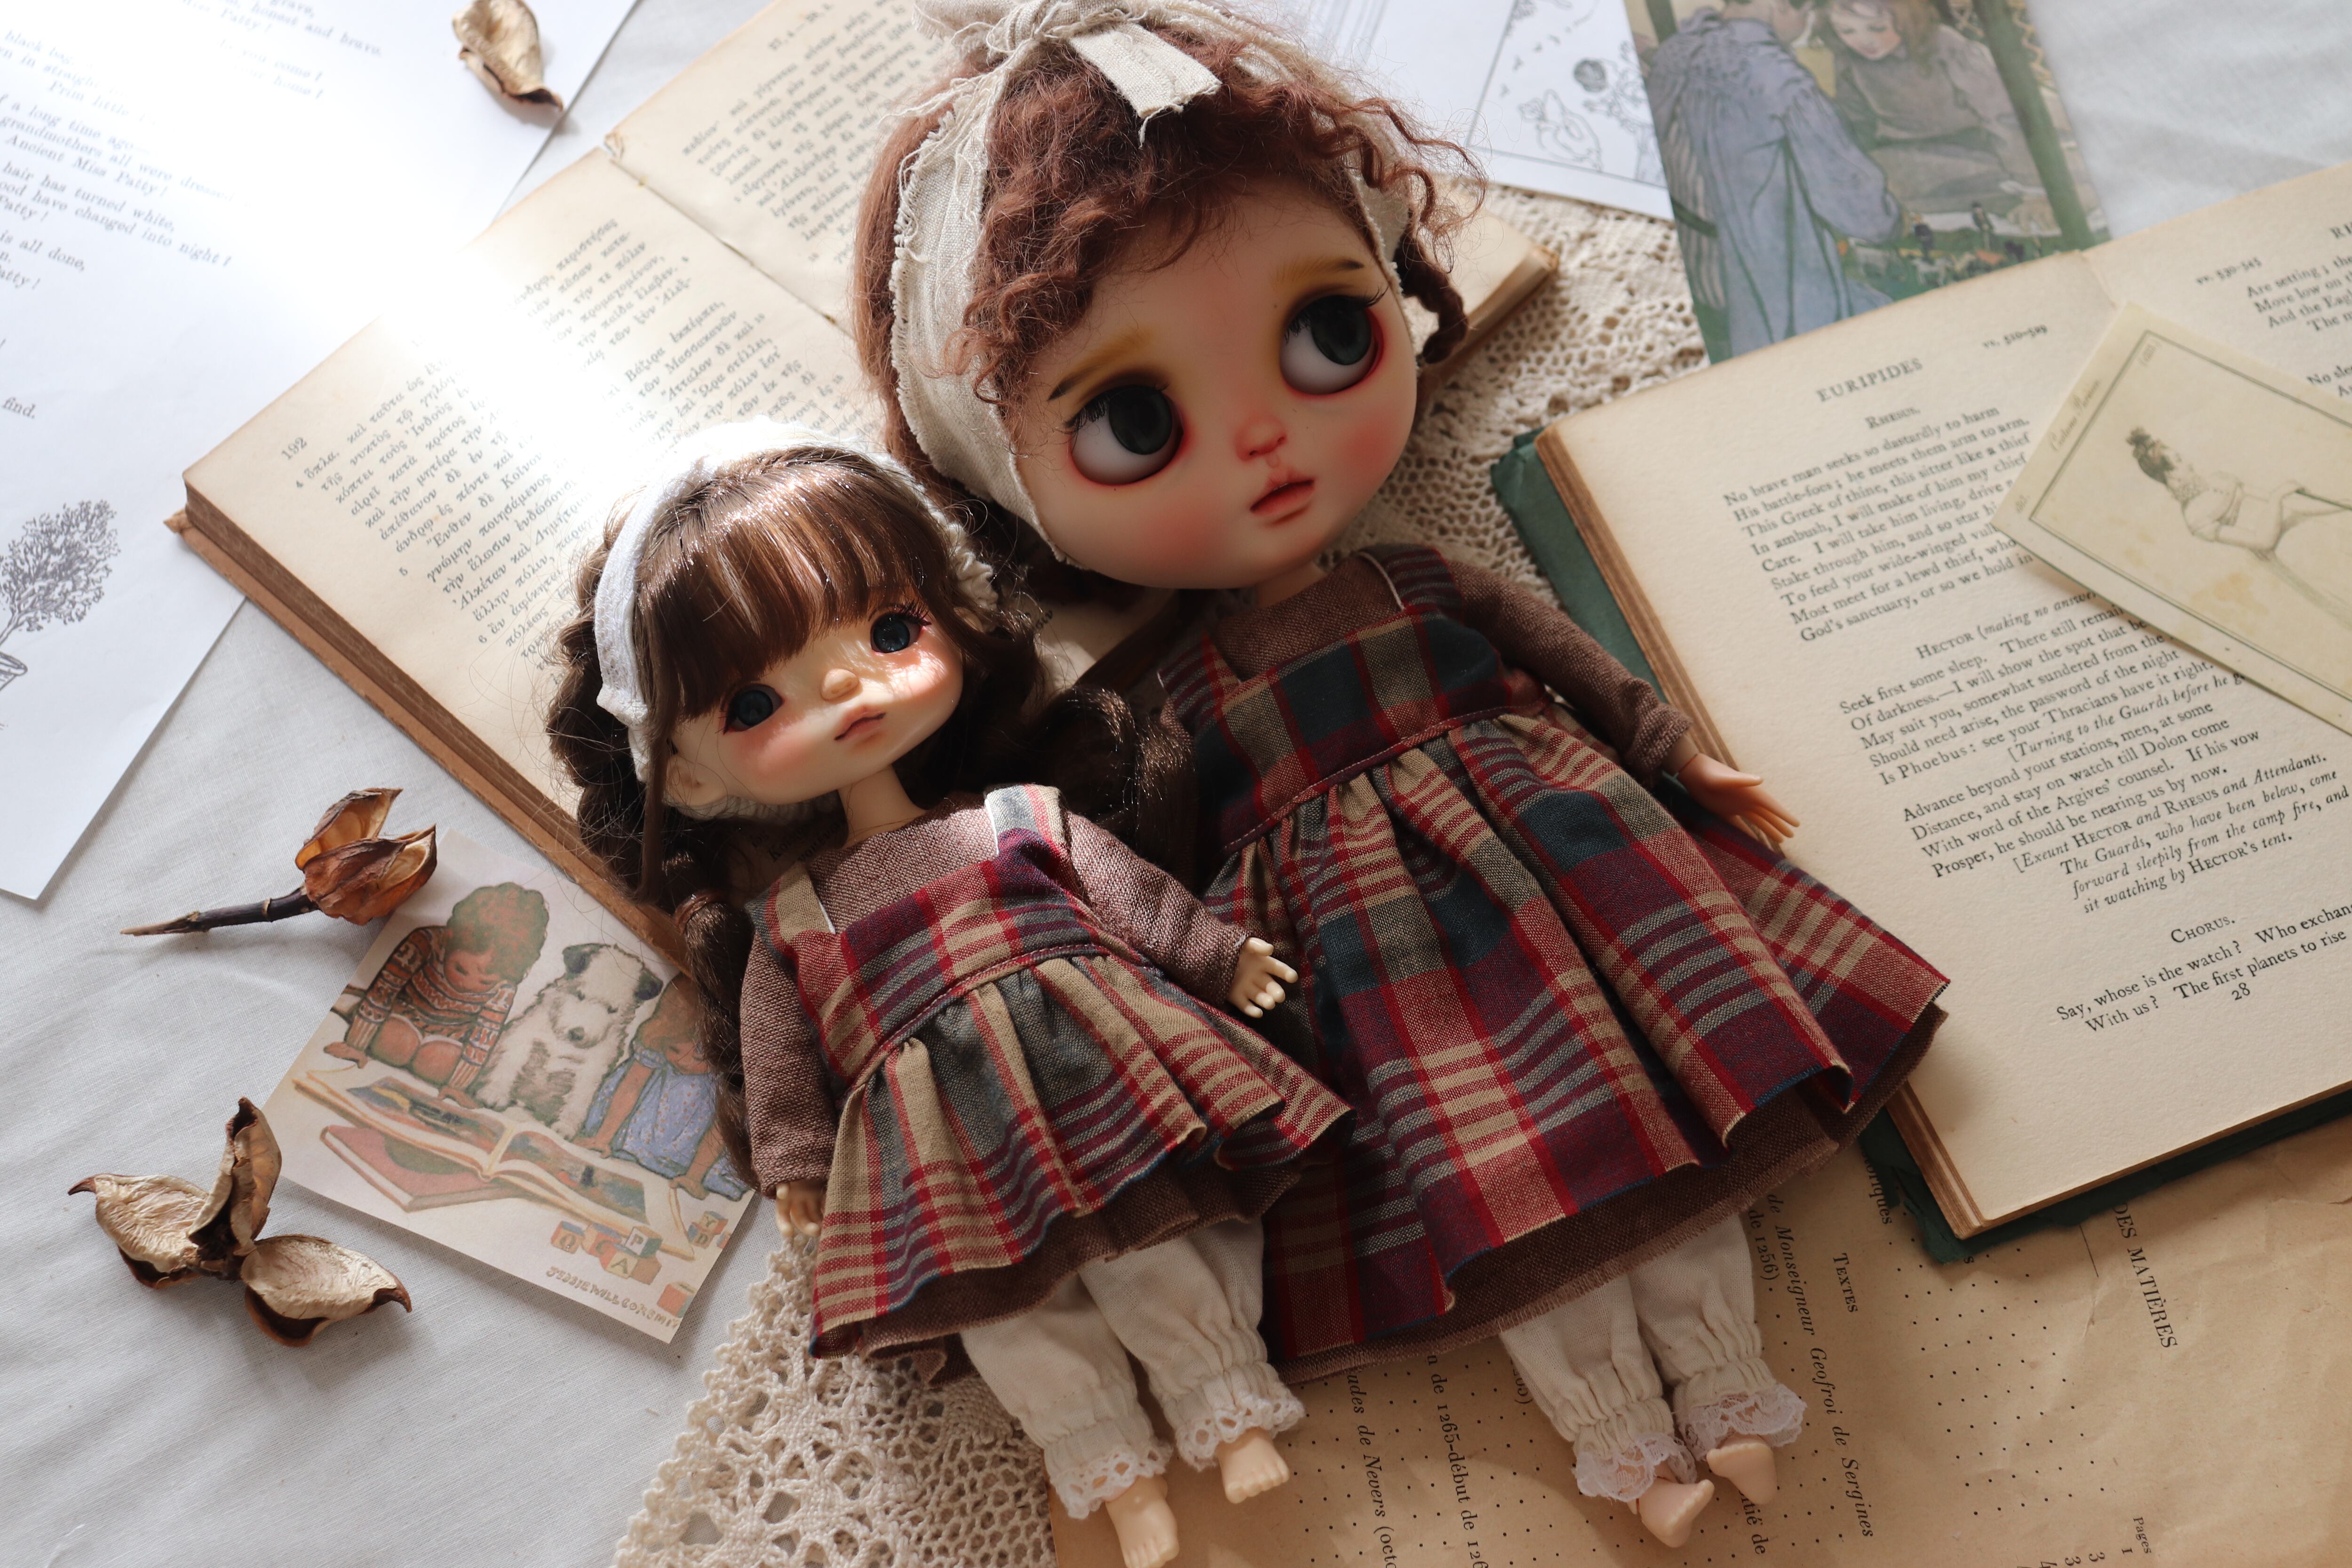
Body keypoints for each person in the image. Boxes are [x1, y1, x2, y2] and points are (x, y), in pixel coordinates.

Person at [851, 2, 1947, 1544]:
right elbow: (1146, 873)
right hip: (1365, 974)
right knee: (1507, 1193)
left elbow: (1568, 662)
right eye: (1136, 421)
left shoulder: (1426, 579)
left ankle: (1723, 1374)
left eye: (1327, 336)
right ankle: (1621, 1431)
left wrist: (1672, 753)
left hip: (1568, 869)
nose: (1263, 441)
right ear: (1004, 487)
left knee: (1657, 1132)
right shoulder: (1169, 703)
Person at [547, 419, 1349, 1568]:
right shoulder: (795, 917)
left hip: (1093, 1062)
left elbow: (1129, 895)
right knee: (1011, 1305)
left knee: (1153, 1229)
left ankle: (1225, 1399)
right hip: (933, 1137)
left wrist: (1216, 956)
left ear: (955, 613)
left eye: (887, 630)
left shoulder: (1018, 817)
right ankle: (1111, 1470)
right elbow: (778, 1051)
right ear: (688, 774)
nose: (844, 684)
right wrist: (797, 1158)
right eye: (754, 705)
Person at [1645, 0, 1903, 357]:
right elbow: (1863, 213)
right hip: (1772, 303)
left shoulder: (1674, 54)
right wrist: (1895, 220)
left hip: (1695, 288)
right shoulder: (1778, 76)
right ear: (1780, 5)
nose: (1807, 22)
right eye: (1807, 11)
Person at [1817, 0, 2040, 217]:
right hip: (1901, 155)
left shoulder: (1946, 44)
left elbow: (2001, 116)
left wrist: (2031, 186)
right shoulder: (1849, 59)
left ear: (1906, 18)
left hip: (1971, 150)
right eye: (1847, 31)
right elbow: (1857, 124)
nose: (1865, 41)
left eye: (1878, 28)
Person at [329, 882, 548, 1092]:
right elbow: (383, 993)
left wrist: (456, 1088)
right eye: (461, 969)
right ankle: (354, 1003)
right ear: (451, 936)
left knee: (438, 1066)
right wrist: (356, 1045)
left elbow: (483, 1037)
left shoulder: (505, 987)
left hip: (449, 1036)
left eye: (485, 983)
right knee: (395, 1044)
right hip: (405, 1014)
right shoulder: (425, 942)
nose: (467, 985)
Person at [2129, 428, 2352, 626]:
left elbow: (2292, 505)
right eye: (2179, 460)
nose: (2189, 462)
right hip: (2296, 555)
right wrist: (2277, 497)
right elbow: (2264, 541)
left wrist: (2341, 505)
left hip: (2309, 529)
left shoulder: (2218, 479)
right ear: (2171, 474)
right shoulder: (2196, 519)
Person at [575, 979, 747, 1202]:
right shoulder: (657, 1047)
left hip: (695, 1152)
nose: (685, 1063)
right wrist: (602, 1139)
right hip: (641, 1134)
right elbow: (631, 1087)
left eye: (699, 1058)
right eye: (674, 1050)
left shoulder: (729, 1077)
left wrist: (694, 1177)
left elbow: (722, 1127)